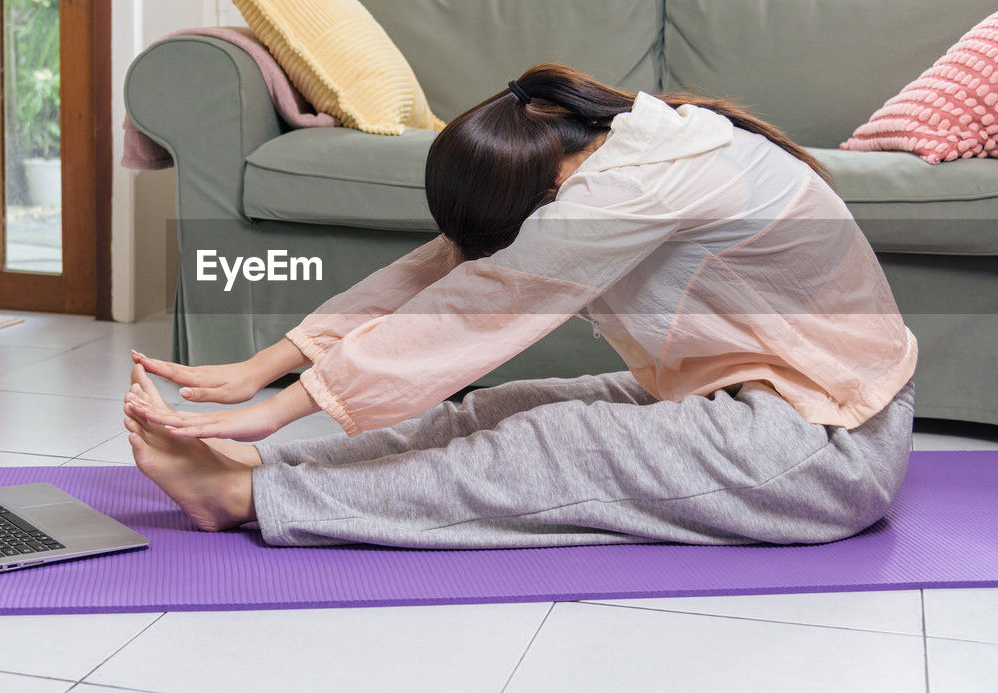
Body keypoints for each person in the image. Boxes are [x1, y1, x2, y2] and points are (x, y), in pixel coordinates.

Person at [120, 62, 917, 549]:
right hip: (749, 396)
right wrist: (271, 368)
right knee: (495, 411)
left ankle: (246, 497)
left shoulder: (630, 186)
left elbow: (481, 302)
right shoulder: (607, 145)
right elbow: (446, 267)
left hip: (829, 446)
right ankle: (263, 471)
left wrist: (289, 405)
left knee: (552, 441)